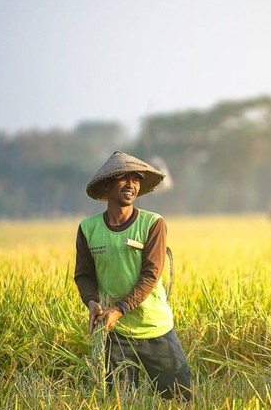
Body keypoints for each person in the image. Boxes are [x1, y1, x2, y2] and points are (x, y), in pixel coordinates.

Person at [74, 151, 192, 401]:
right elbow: (84, 275)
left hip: (154, 327)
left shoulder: (153, 224)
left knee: (180, 399)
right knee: (119, 401)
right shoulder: (88, 229)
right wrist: (92, 302)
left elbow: (151, 274)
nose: (131, 185)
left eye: (136, 179)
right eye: (123, 178)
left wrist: (119, 308)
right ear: (107, 185)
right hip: (115, 333)